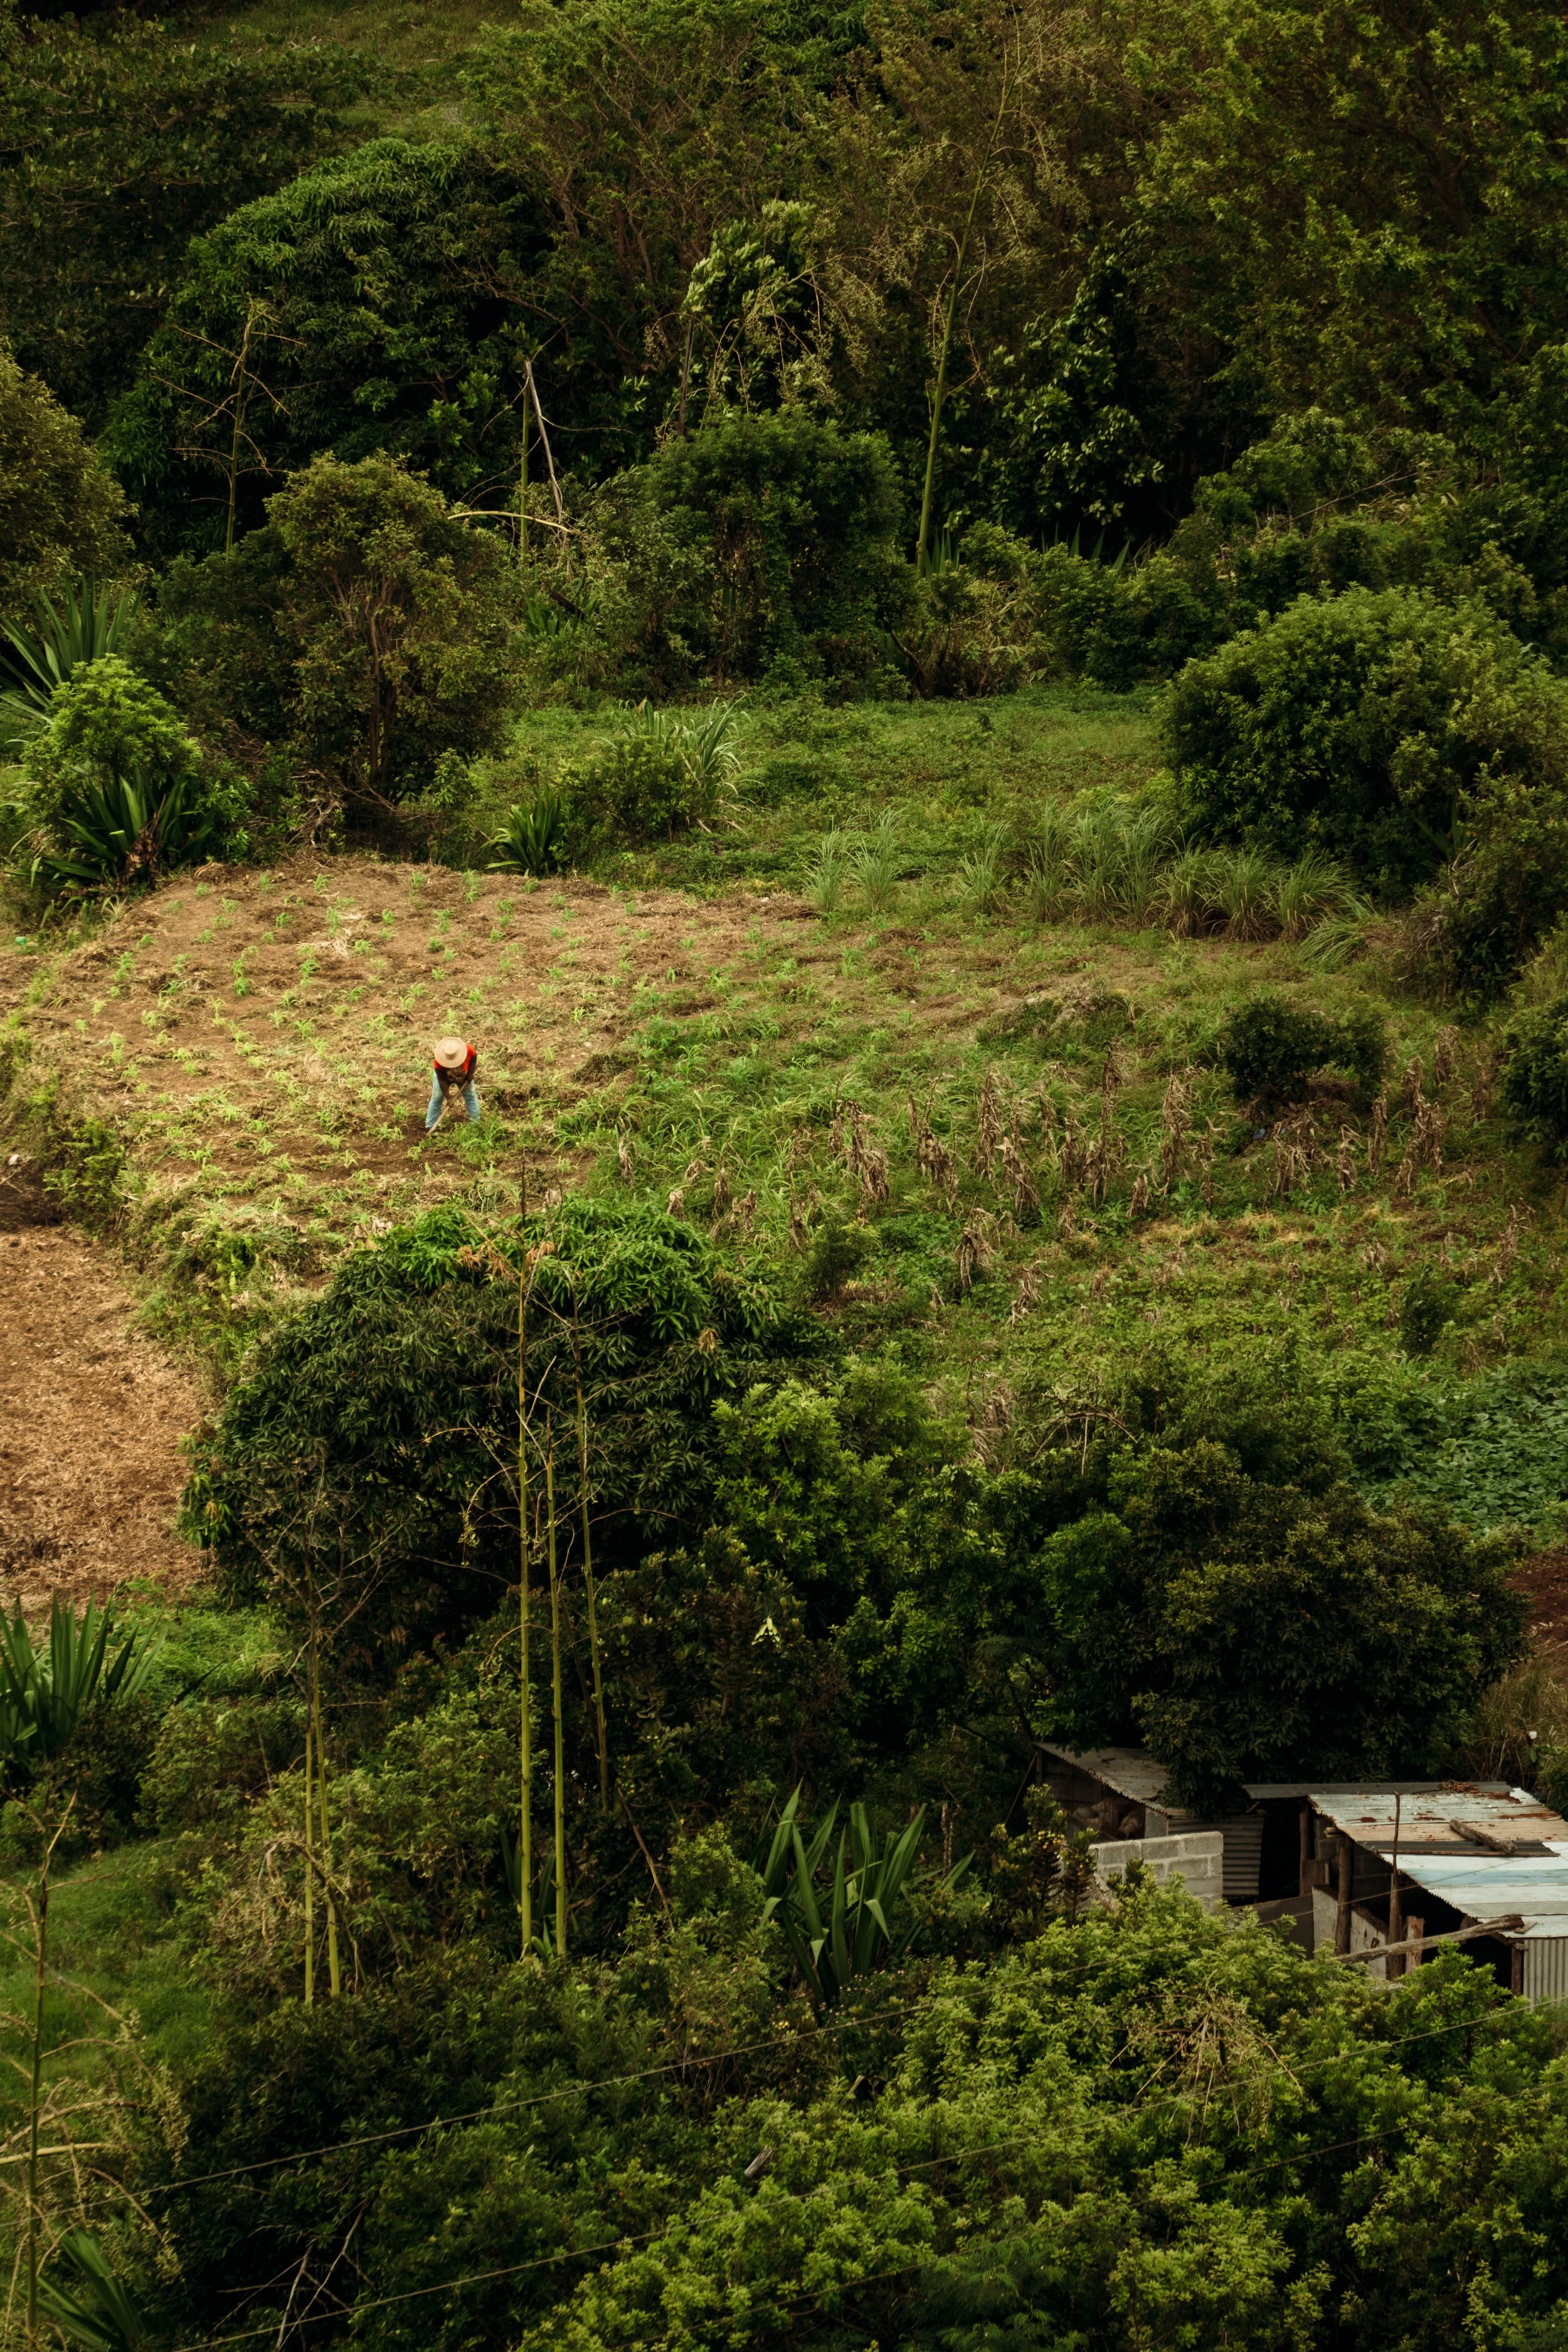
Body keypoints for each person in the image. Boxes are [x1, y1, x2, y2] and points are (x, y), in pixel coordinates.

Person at [426, 1036, 480, 1131]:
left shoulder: (467, 1049)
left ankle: (476, 1123)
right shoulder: (439, 1060)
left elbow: (474, 1057)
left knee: (470, 1096)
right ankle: (431, 1125)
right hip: (445, 1077)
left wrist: (470, 1073)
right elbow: (441, 1080)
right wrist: (448, 1097)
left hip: (462, 1075)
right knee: (437, 1098)